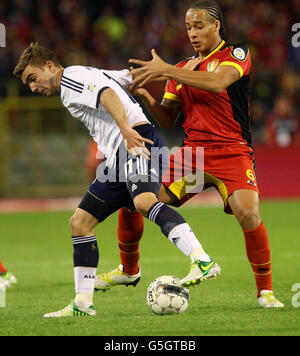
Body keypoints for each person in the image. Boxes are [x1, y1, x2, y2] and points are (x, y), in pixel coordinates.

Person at [97, 0, 284, 308]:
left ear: (216, 26)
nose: (193, 33)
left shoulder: (236, 54)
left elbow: (217, 82)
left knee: (248, 214)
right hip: (192, 156)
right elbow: (169, 119)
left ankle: (265, 292)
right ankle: (128, 269)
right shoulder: (181, 69)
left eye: (199, 26)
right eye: (188, 27)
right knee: (136, 195)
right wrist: (145, 95)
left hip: (232, 152)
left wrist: (168, 70)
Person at [13, 42, 220, 317]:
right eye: (28, 82)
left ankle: (202, 260)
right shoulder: (83, 73)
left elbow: (108, 93)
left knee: (145, 201)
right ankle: (83, 304)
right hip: (117, 158)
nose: (33, 87)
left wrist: (125, 129)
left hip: (134, 140)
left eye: (33, 78)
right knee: (80, 222)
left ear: (49, 66)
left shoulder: (71, 79)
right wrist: (177, 70)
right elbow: (128, 77)